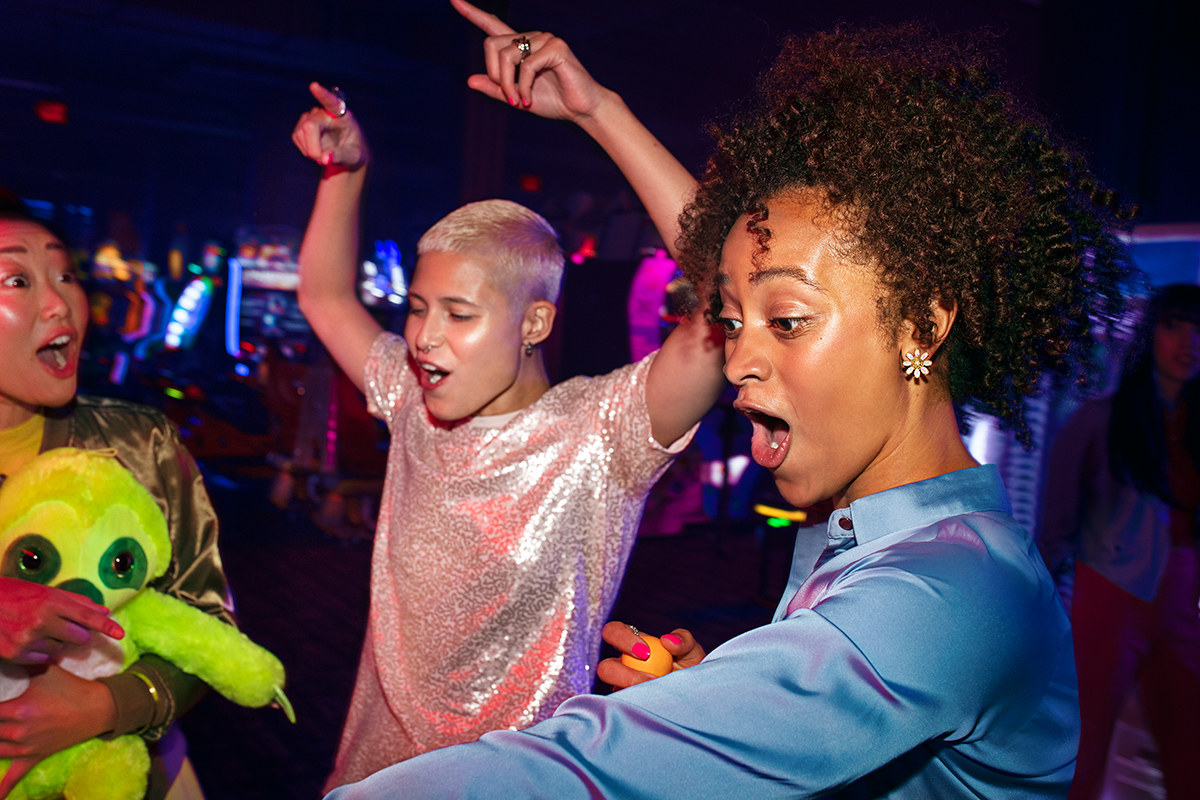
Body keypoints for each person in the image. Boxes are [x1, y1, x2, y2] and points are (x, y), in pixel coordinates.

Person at [322, 3, 1136, 798]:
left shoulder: (950, 593)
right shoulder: (862, 536)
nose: (740, 357)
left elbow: (593, 768)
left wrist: (700, 727)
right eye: (735, 323)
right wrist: (713, 688)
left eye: (785, 321)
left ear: (920, 324)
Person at [290, 34, 727, 790]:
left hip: (523, 782)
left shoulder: (600, 432)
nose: (423, 337)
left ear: (535, 324)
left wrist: (600, 111)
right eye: (419, 308)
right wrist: (344, 173)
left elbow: (729, 293)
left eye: (459, 314)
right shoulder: (411, 397)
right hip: (377, 776)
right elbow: (326, 297)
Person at [0, 193, 234, 798]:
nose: (60, 304)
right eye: (18, 279)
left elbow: (207, 619)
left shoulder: (141, 445)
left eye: (65, 275)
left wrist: (107, 705)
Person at [1039, 283, 1200, 799]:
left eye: (1199, 329)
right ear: (1152, 332)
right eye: (1175, 324)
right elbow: (1057, 523)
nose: (1189, 341)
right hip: (1110, 593)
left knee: (1188, 754)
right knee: (1085, 751)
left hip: (1180, 600)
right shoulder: (1101, 421)